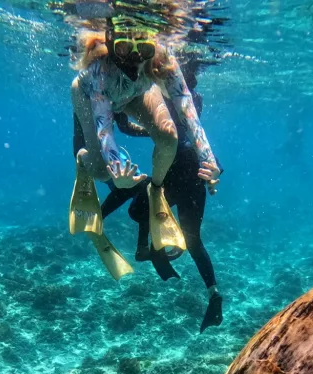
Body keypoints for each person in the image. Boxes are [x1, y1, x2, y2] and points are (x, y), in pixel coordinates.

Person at [67, 16, 224, 331]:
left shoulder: (161, 60)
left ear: (155, 45)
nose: (133, 59)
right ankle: (84, 161)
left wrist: (210, 161)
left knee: (169, 136)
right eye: (124, 47)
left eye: (144, 48)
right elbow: (103, 125)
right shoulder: (99, 74)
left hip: (135, 97)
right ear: (111, 42)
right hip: (95, 100)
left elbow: (188, 112)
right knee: (99, 171)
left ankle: (154, 189)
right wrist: (115, 170)